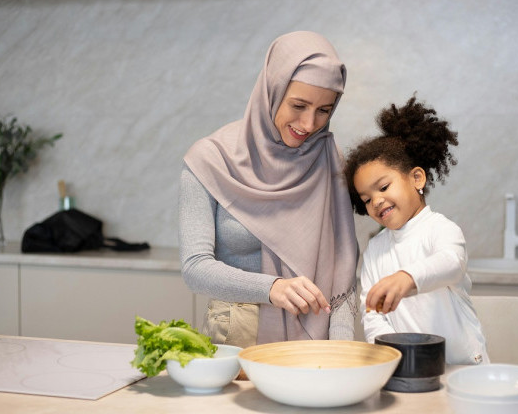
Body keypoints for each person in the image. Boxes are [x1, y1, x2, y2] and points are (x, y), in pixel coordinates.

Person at [180, 31, 359, 348]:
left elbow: (342, 274)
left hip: (313, 344)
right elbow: (195, 268)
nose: (308, 124)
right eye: (299, 105)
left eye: (324, 110)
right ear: (272, 90)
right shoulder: (211, 159)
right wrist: (272, 287)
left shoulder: (328, 161)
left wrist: (341, 349)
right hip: (235, 336)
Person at [343, 96, 488, 364]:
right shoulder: (375, 250)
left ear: (416, 178)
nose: (376, 201)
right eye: (366, 199)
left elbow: (451, 263)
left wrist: (407, 277)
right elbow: (372, 314)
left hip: (463, 369)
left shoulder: (441, 229)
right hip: (407, 368)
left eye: (384, 187)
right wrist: (392, 352)